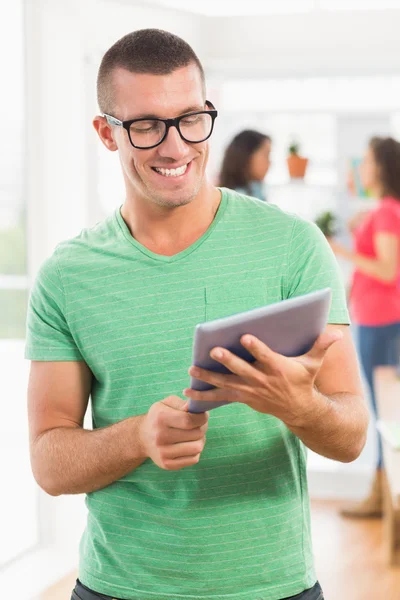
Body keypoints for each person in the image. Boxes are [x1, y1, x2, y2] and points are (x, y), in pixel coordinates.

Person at [25, 29, 368, 600]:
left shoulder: (293, 246)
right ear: (106, 133)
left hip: (274, 587)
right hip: (120, 588)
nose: (175, 146)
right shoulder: (68, 276)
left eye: (190, 118)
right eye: (145, 126)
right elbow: (49, 463)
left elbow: (352, 436)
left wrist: (300, 406)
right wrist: (139, 436)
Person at [329, 136, 400, 519]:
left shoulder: (388, 211)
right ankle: (382, 495)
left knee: (385, 413)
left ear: (382, 166)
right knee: (385, 410)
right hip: (377, 318)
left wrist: (340, 250)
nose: (362, 166)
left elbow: (388, 270)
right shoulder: (383, 210)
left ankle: (384, 498)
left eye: (368, 160)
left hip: (384, 320)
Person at [219, 129, 271, 201]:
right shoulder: (237, 199)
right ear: (247, 156)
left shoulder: (257, 190)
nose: (269, 162)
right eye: (266, 155)